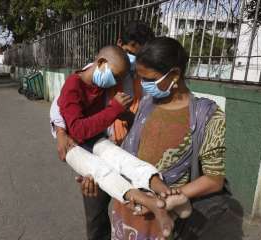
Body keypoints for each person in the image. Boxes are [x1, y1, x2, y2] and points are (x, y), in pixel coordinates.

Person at [82, 37, 230, 240]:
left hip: (165, 221)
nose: (143, 85)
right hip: (126, 212)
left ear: (175, 74)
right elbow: (127, 156)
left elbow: (214, 180)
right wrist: (97, 174)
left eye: (150, 80)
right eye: (140, 78)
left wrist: (167, 198)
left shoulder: (208, 115)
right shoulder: (146, 103)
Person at [58, 45, 191, 239]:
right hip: (74, 146)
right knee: (101, 171)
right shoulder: (73, 85)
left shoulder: (101, 85)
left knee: (122, 159)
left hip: (97, 140)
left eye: (121, 78)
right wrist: (113, 109)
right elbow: (77, 130)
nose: (117, 82)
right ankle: (151, 202)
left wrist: (124, 113)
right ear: (101, 63)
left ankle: (166, 194)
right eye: (116, 76)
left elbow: (117, 116)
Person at [50, 21, 155, 240]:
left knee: (130, 215)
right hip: (94, 145)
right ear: (119, 44)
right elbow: (62, 110)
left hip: (127, 149)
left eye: (139, 56)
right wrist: (61, 132)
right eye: (129, 53)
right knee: (96, 214)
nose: (133, 61)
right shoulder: (100, 73)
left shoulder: (141, 77)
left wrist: (127, 115)